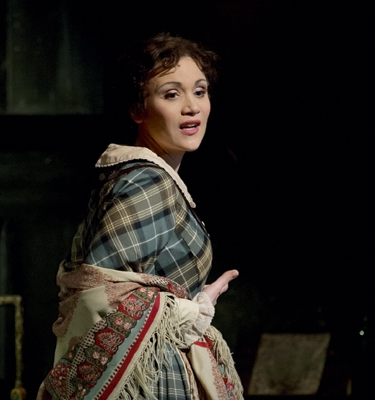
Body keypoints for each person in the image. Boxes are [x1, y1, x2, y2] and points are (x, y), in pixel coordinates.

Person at [37, 33, 244, 400]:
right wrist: (191, 311)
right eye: (171, 94)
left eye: (199, 91)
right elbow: (102, 296)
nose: (192, 107)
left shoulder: (150, 177)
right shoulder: (146, 181)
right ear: (137, 109)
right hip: (150, 382)